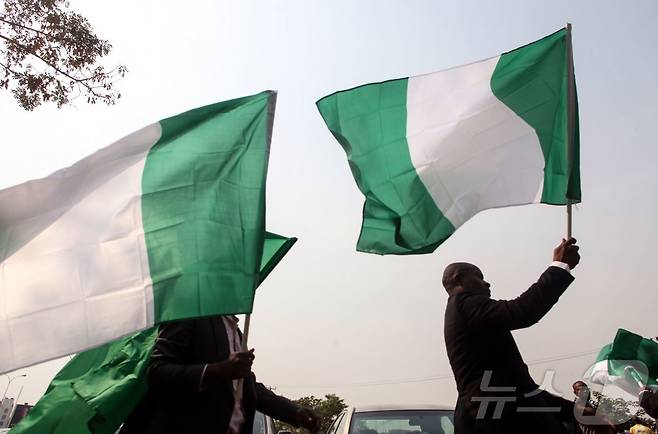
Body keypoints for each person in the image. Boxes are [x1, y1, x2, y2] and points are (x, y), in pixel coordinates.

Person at [443, 238, 580, 434]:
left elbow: (522, 387)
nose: (486, 283)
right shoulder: (465, 304)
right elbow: (524, 310)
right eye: (478, 277)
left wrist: (573, 410)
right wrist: (559, 266)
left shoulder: (474, 315)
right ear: (458, 279)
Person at [121, 315, 318, 434]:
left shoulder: (235, 329)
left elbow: (246, 385)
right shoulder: (191, 315)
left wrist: (293, 412)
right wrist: (217, 370)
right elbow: (158, 370)